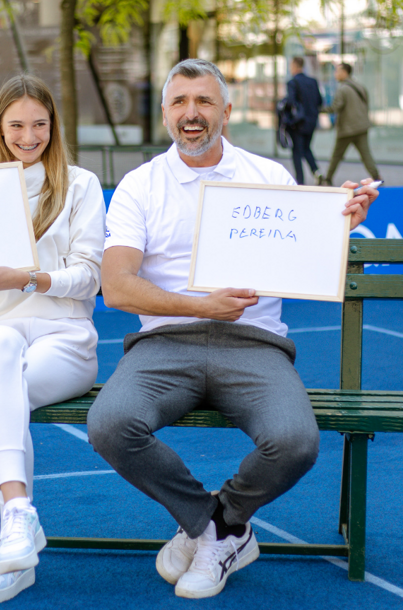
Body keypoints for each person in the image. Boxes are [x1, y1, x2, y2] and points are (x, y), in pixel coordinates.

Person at [86, 59, 378, 599]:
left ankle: (222, 522)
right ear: (166, 114)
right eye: (179, 102)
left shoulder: (268, 177)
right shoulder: (139, 186)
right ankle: (214, 528)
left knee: (296, 442)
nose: (191, 113)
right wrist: (200, 304)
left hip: (255, 345)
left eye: (203, 102)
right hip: (164, 344)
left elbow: (304, 262)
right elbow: (118, 287)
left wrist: (339, 226)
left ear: (225, 110)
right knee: (109, 425)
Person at [0, 74, 106, 605]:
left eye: (39, 123)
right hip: (3, 335)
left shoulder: (82, 185)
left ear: (53, 126)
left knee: (2, 390)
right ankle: (17, 522)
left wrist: (29, 277)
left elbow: (90, 277)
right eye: (16, 124)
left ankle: (11, 545)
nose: (28, 134)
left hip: (66, 339)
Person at [322, 63, 381, 187]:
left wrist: (320, 110)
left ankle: (327, 179)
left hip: (347, 129)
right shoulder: (360, 86)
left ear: (345, 72)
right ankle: (376, 177)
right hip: (361, 127)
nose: (335, 74)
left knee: (336, 155)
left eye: (337, 71)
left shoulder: (343, 89)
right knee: (366, 155)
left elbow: (335, 107)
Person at [285, 56, 323, 185]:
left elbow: (290, 102)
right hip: (311, 121)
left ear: (295, 66)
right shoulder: (313, 81)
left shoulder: (292, 82)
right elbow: (319, 101)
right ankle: (317, 172)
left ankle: (300, 181)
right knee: (306, 148)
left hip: (298, 123)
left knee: (296, 151)